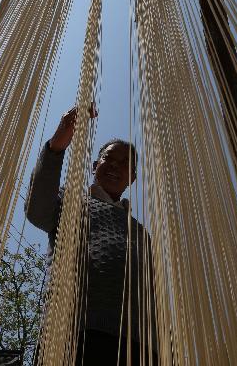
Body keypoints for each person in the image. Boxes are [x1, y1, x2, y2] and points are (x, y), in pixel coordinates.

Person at [25, 106, 156, 365]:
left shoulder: (140, 230)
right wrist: (55, 148)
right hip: (75, 330)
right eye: (109, 158)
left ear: (132, 178)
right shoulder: (70, 199)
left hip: (141, 343)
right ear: (96, 166)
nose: (116, 165)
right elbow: (37, 210)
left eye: (125, 163)